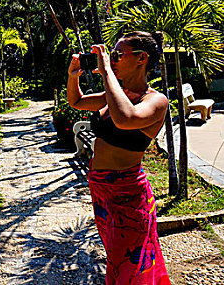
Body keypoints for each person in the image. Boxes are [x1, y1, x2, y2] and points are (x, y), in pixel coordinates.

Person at [67, 31, 171, 285]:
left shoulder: (156, 100)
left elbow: (126, 119)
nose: (111, 60)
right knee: (117, 259)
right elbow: (77, 101)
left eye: (117, 55)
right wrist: (73, 77)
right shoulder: (116, 94)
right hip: (102, 190)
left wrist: (106, 72)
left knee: (129, 265)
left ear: (141, 58)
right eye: (110, 56)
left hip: (127, 194)